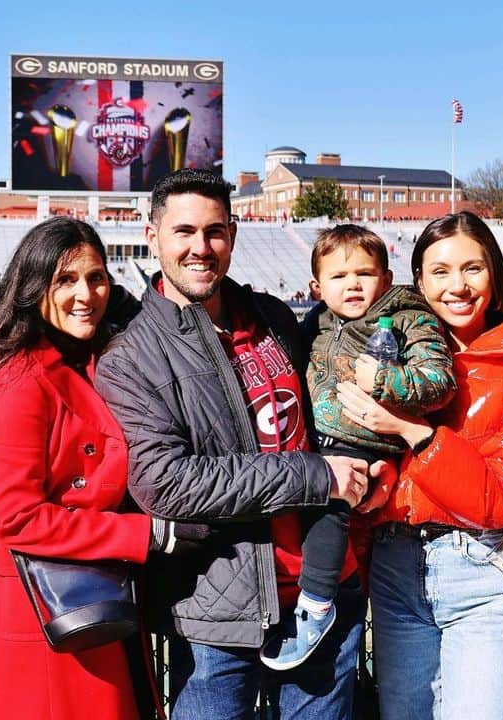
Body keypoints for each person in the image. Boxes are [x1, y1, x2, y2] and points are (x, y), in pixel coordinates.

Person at [94, 169, 378, 720]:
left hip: (326, 587)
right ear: (152, 236)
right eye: (184, 232)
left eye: (215, 231)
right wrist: (316, 476)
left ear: (233, 234)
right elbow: (169, 484)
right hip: (217, 611)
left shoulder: (272, 316)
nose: (201, 248)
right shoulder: (131, 357)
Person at [337, 211, 503, 720]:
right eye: (439, 272)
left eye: (473, 268)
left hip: (485, 575)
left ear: (495, 275)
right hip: (397, 569)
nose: (457, 287)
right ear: (418, 281)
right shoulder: (386, 364)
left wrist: (413, 432)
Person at [0, 217, 209, 719]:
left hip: (102, 598)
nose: (85, 293)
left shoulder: (103, 359)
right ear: (34, 286)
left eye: (97, 277)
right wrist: (144, 535)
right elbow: (17, 519)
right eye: (65, 279)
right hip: (47, 613)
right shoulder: (19, 383)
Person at [260, 225, 456, 670]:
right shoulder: (318, 321)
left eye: (365, 273)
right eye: (339, 276)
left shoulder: (408, 317)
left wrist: (385, 382)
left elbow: (441, 382)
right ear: (317, 286)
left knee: (331, 509)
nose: (352, 284)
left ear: (386, 279)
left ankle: (316, 607)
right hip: (317, 441)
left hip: (367, 443)